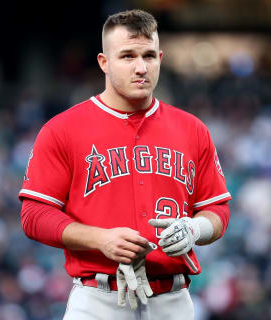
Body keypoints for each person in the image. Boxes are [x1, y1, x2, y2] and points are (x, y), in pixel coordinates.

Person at [19, 9, 231, 320]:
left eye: (148, 56)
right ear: (104, 62)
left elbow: (218, 210)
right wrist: (99, 238)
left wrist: (194, 228)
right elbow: (34, 215)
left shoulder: (192, 129)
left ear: (160, 58)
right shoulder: (62, 129)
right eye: (128, 56)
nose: (141, 67)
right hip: (98, 298)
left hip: (173, 300)